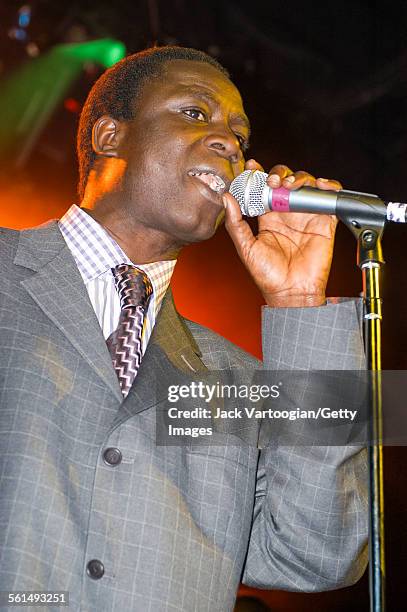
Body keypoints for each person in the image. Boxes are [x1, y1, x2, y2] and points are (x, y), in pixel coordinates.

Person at [0, 46, 367, 611]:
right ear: (108, 137)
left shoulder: (235, 380)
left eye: (239, 136)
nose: (229, 143)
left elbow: (316, 552)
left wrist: (299, 304)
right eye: (195, 114)